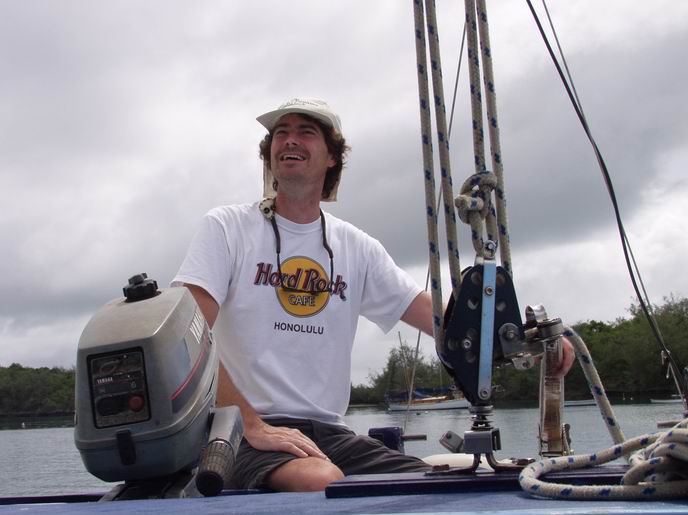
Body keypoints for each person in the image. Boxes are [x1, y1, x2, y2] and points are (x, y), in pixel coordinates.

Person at [172, 97, 574, 492]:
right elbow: (186, 340)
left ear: (332, 157)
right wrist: (253, 424)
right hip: (242, 433)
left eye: (305, 132)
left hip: (330, 434)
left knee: (432, 488)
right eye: (281, 133)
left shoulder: (356, 247)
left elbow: (443, 320)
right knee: (320, 481)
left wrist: (530, 340)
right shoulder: (227, 228)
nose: (290, 140)